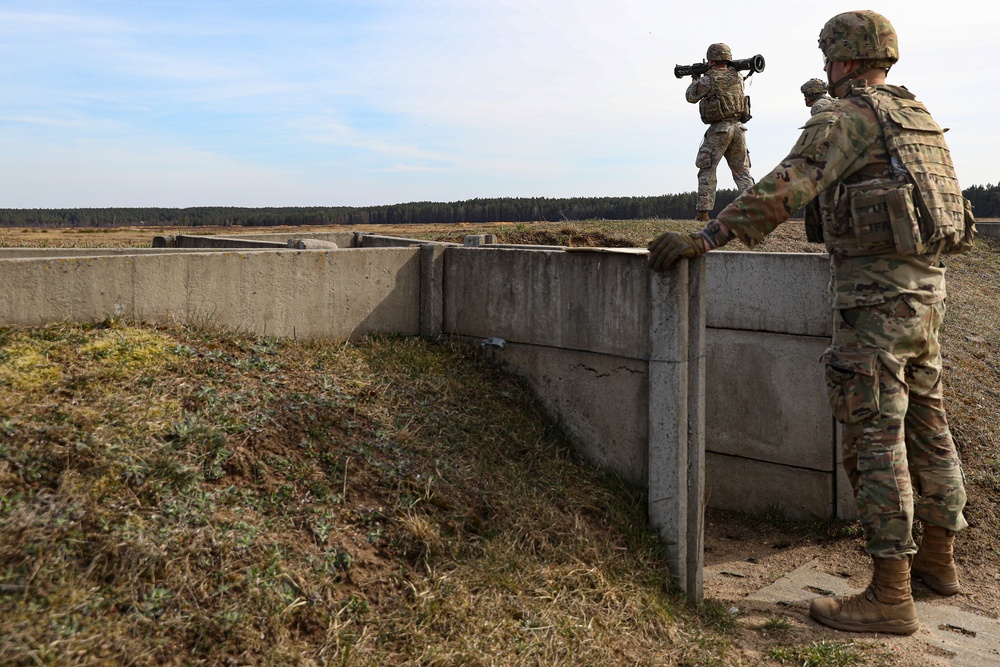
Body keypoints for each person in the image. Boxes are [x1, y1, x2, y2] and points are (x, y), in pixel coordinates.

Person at [650, 10, 974, 636]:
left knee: (874, 434)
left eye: (830, 57)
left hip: (874, 302)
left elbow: (790, 182)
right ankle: (939, 561)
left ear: (846, 59)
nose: (826, 67)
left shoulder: (848, 115)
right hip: (926, 295)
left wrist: (710, 234)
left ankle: (890, 594)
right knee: (929, 427)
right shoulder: (916, 114)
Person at [685, 42, 755, 222]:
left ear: (711, 58)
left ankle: (703, 213)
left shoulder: (708, 79)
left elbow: (691, 97)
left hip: (719, 130)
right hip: (739, 129)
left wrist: (695, 79)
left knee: (707, 168)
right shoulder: (738, 77)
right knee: (742, 171)